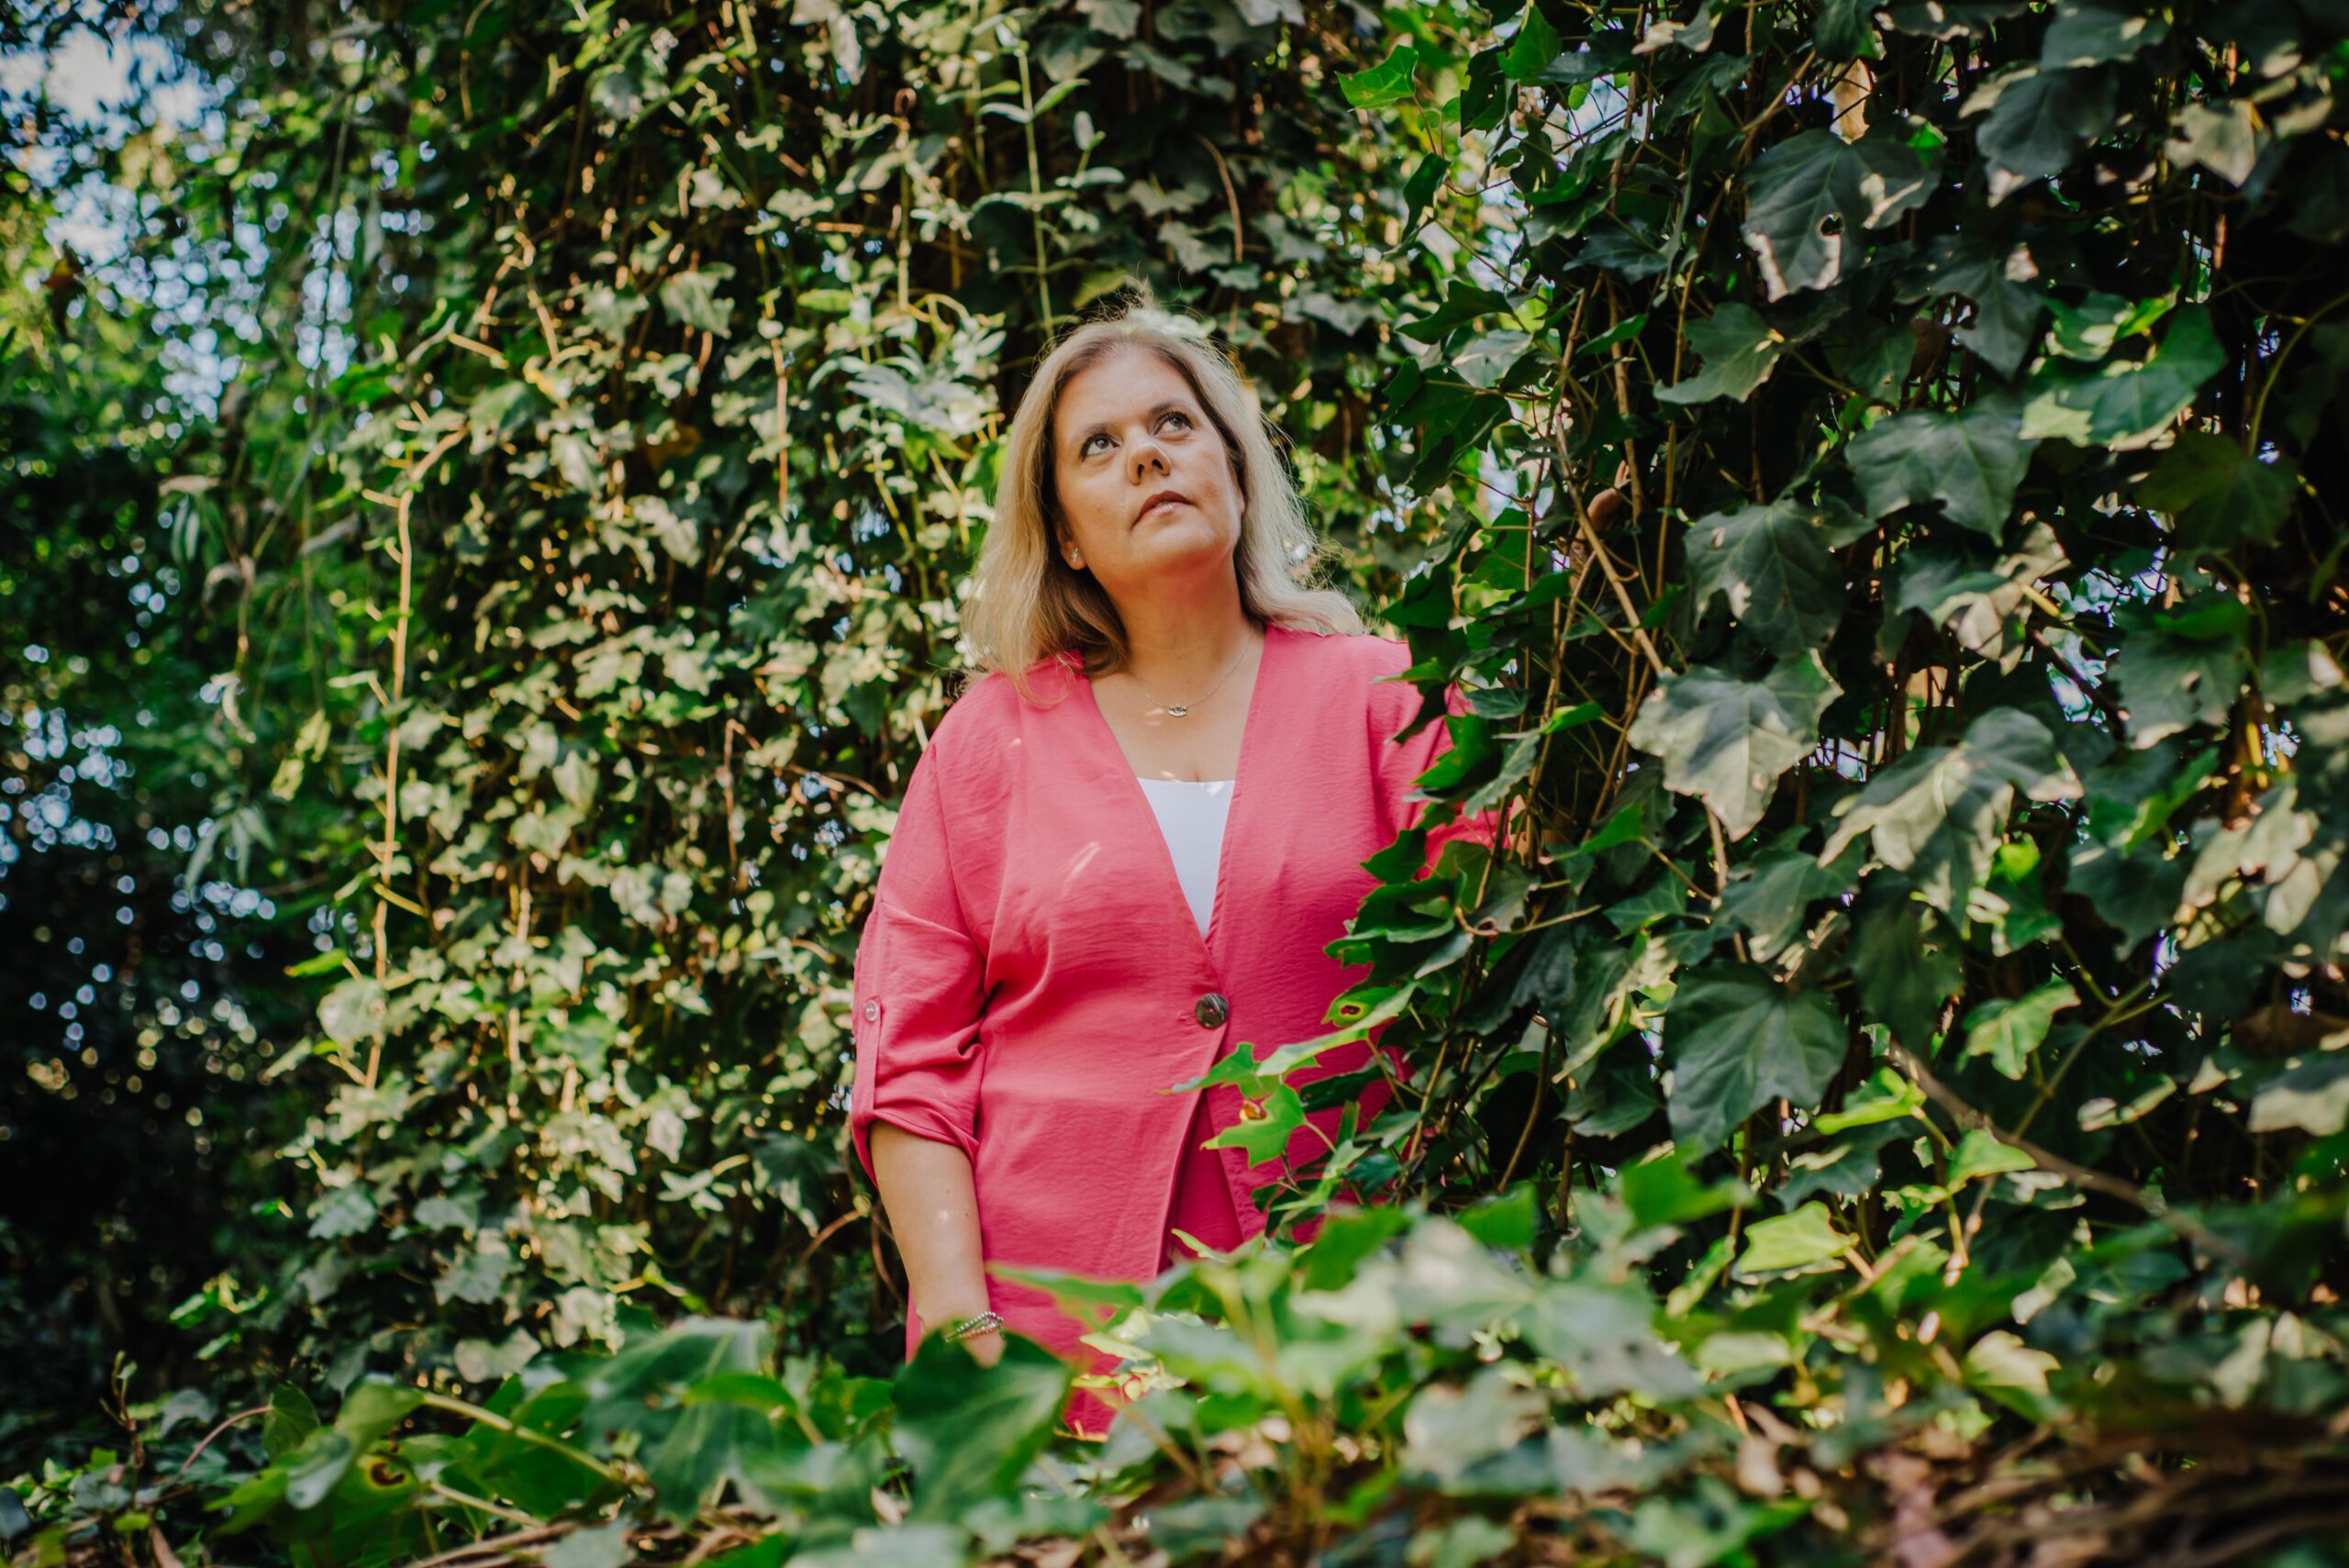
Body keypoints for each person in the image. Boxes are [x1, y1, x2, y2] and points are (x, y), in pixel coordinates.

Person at [847, 292, 1502, 1440]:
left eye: (1172, 424)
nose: (1145, 454)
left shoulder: (1382, 692)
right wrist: (956, 1314)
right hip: (1050, 1341)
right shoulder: (988, 742)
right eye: (1097, 446)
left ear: (1235, 471)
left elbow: (1508, 921)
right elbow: (909, 1059)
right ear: (1063, 531)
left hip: (1350, 1309)